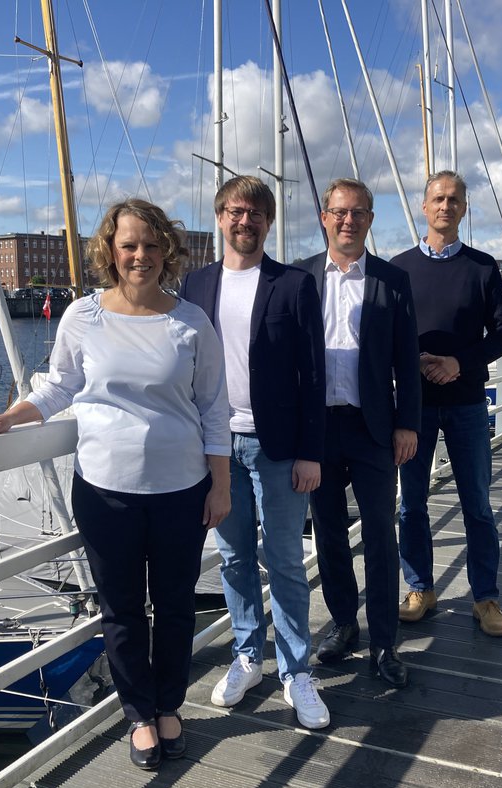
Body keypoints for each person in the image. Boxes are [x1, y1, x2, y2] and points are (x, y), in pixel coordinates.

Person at [0, 199, 232, 771]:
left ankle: (169, 705)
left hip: (182, 488)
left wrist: (220, 485)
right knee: (123, 609)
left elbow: (213, 408)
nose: (141, 255)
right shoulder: (84, 317)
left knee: (177, 606)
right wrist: (10, 417)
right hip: (105, 490)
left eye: (152, 245)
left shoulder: (191, 322)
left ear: (168, 252)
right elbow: (59, 385)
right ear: (111, 250)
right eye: (130, 244)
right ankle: (138, 715)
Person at [179, 176, 330, 728]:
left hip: (279, 446)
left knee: (286, 560)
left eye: (256, 215)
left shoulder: (293, 285)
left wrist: (312, 451)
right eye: (235, 212)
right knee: (236, 556)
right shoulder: (194, 286)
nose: (245, 222)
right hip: (216, 447)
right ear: (220, 216)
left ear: (269, 223)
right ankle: (249, 655)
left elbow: (314, 374)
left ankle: (296, 670)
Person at [298, 178, 421, 688]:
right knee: (326, 532)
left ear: (370, 220)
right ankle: (345, 624)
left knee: (379, 535)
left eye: (359, 213)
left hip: (373, 426)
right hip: (318, 428)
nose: (349, 220)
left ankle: (385, 643)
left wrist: (408, 422)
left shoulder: (392, 281)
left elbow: (406, 360)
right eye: (340, 212)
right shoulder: (300, 278)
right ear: (324, 217)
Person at [390, 170, 502, 637]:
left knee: (477, 504)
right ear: (424, 207)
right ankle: (421, 587)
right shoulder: (397, 269)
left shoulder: (482, 268)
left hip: (464, 403)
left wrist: (458, 361)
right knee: (411, 506)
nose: (446, 206)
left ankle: (485, 598)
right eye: (438, 199)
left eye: (455, 200)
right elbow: (384, 335)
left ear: (464, 209)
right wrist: (415, 360)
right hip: (414, 406)